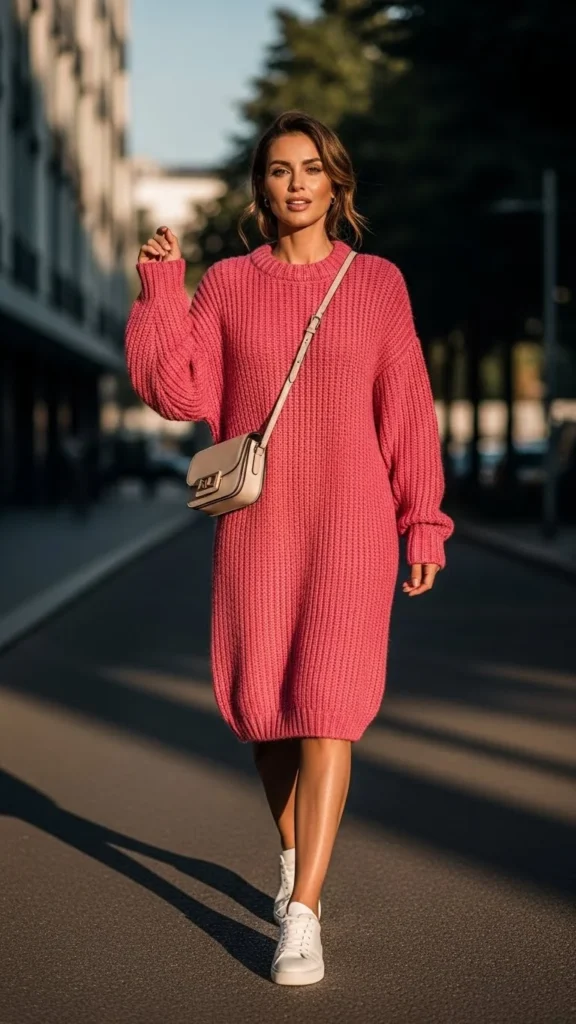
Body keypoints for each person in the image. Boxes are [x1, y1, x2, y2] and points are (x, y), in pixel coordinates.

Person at [125, 110, 454, 987]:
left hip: (353, 526)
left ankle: (303, 910)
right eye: (279, 170)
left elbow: (408, 409)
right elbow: (177, 390)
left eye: (311, 168)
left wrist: (423, 518)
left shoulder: (378, 282)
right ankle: (290, 854)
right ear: (262, 186)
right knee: (265, 708)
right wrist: (162, 290)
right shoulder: (229, 284)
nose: (297, 183)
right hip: (259, 528)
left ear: (336, 182)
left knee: (328, 706)